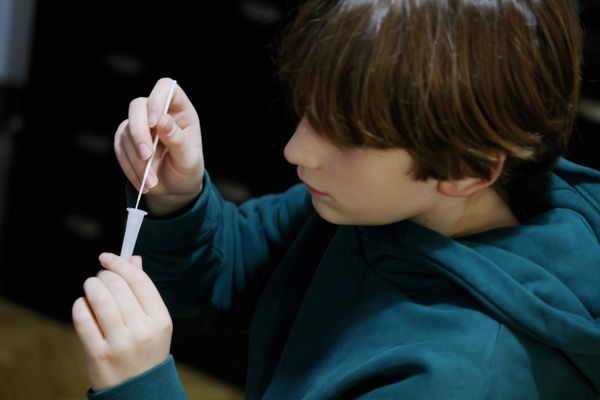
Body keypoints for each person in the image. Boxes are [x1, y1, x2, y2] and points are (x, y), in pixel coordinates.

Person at [72, 0, 600, 398]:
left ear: (466, 171)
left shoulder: (457, 380)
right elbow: (228, 270)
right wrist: (180, 198)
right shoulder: (370, 205)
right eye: (309, 112)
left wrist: (141, 386)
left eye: (345, 136)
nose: (295, 150)